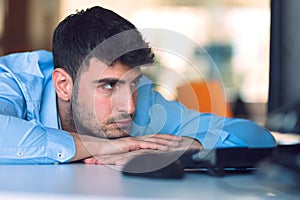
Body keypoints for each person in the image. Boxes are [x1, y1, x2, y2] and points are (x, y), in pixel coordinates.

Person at [0, 6, 276, 165]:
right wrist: (100, 146)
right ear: (63, 85)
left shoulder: (144, 103)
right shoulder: (13, 81)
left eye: (132, 84)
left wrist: (189, 146)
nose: (129, 107)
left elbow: (256, 137)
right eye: (108, 86)